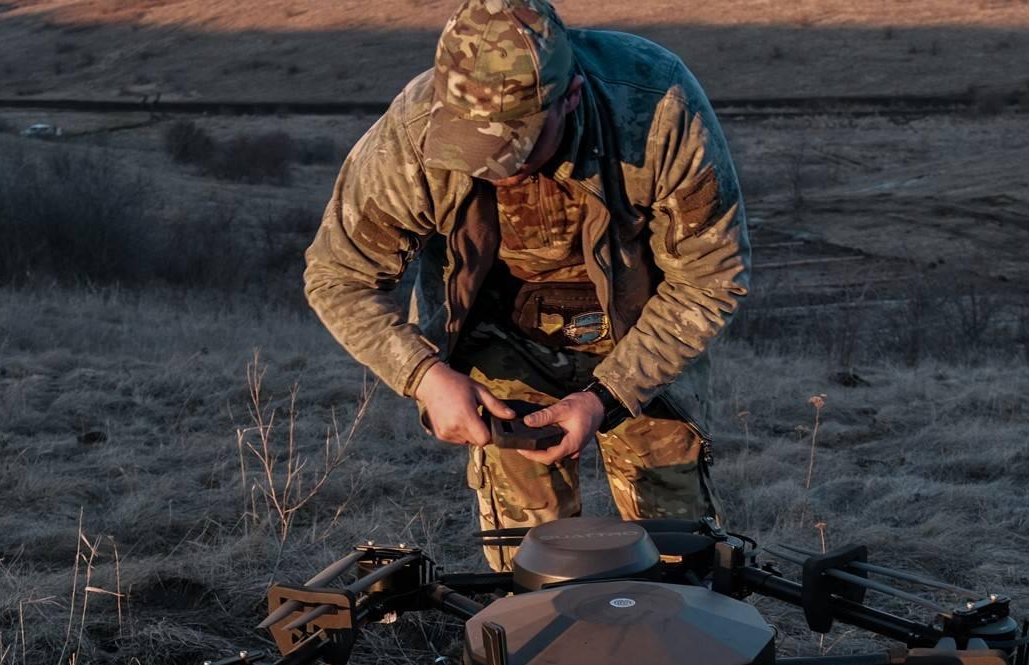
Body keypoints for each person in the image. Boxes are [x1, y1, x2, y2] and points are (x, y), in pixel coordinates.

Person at [303, 0, 749, 567]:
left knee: (679, 546)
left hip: (644, 335)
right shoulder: (413, 136)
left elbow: (711, 277)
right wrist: (426, 376)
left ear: (571, 98)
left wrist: (608, 395)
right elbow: (338, 274)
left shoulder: (657, 109)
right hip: (500, 339)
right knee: (529, 566)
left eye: (513, 148)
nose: (492, 167)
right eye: (472, 150)